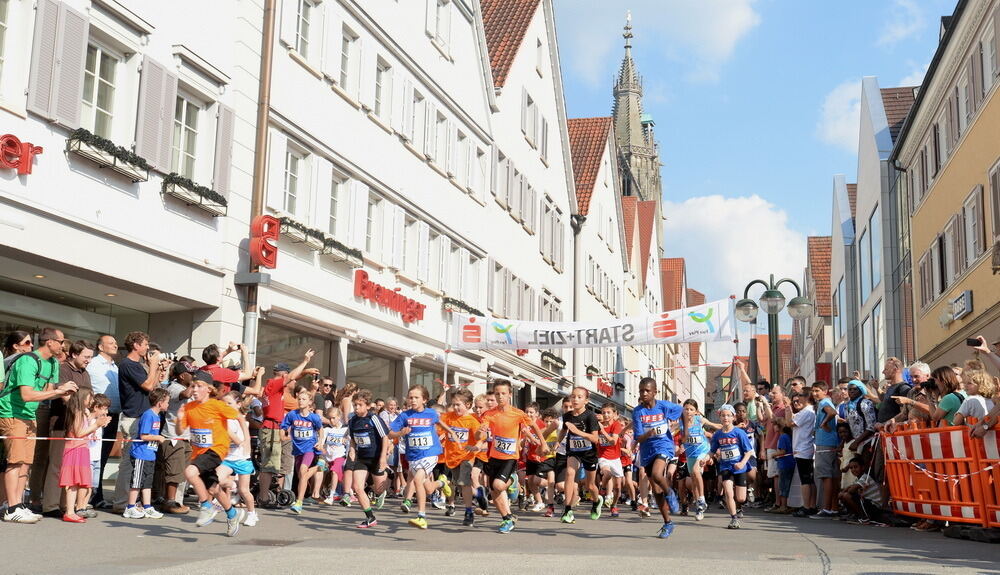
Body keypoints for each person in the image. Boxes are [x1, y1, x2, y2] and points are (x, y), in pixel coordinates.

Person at [0, 327, 77, 524]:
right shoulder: (28, 360)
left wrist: (65, 394)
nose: (63, 345)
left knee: (26, 462)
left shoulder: (53, 363)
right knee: (15, 461)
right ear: (49, 342)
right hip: (12, 412)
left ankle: (19, 505)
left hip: (29, 414)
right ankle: (12, 507)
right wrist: (59, 392)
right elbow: (27, 395)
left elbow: (48, 392)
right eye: (61, 341)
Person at [177, 371, 246, 536]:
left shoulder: (217, 405)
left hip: (217, 449)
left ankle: (206, 507)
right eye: (193, 386)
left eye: (199, 386)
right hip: (199, 453)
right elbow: (180, 431)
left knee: (189, 471)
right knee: (214, 489)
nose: (194, 389)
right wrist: (180, 419)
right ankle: (232, 515)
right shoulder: (188, 407)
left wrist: (245, 441)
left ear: (208, 389)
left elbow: (240, 417)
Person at [476, 380, 548, 534]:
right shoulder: (489, 414)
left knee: (498, 486)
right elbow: (481, 433)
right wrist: (479, 432)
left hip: (509, 457)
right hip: (494, 457)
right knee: (494, 493)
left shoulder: (518, 414)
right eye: (497, 394)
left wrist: (543, 443)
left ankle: (512, 479)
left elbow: (534, 426)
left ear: (510, 395)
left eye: (503, 393)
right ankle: (507, 518)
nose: (500, 396)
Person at [388, 384, 459, 529]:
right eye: (410, 397)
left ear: (424, 399)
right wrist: (400, 433)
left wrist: (452, 432)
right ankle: (442, 483)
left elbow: (440, 422)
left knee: (418, 480)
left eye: (416, 397)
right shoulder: (404, 416)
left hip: (430, 453)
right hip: (414, 456)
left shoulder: (431, 413)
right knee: (429, 489)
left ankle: (421, 516)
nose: (412, 400)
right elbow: (390, 433)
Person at [113, 331, 166, 512]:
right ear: (135, 345)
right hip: (133, 418)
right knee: (129, 463)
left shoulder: (138, 365)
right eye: (144, 344)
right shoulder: (128, 364)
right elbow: (148, 385)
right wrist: (151, 365)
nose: (147, 348)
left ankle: (131, 501)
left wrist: (158, 368)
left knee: (138, 464)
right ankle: (121, 503)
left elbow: (154, 386)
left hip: (141, 417)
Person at [42, 340, 94, 517]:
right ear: (74, 354)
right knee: (57, 466)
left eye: (90, 357)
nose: (89, 360)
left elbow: (88, 397)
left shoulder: (85, 373)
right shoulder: (63, 369)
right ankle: (51, 505)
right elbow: (64, 395)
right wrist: (83, 413)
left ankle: (67, 506)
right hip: (61, 424)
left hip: (79, 427)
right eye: (86, 356)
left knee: (70, 468)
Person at [257, 351, 315, 505]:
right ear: (283, 375)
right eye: (289, 377)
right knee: (269, 465)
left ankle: (271, 494)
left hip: (275, 427)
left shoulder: (276, 387)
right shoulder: (274, 384)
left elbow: (292, 379)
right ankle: (263, 498)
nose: (293, 382)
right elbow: (290, 378)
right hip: (271, 428)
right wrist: (305, 360)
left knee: (275, 465)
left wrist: (303, 372)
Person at [632, 377, 684, 539]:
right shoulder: (637, 411)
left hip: (664, 446)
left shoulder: (664, 406)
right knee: (656, 491)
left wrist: (685, 432)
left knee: (657, 474)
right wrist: (648, 433)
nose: (644, 393)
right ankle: (668, 523)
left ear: (655, 392)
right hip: (647, 451)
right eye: (641, 390)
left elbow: (682, 411)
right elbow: (638, 438)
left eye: (647, 390)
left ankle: (671, 494)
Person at [60, 389, 108, 523]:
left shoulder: (82, 413)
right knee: (72, 483)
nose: (91, 401)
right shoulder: (78, 412)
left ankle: (71, 511)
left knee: (76, 483)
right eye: (89, 398)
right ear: (82, 398)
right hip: (75, 450)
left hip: (81, 449)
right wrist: (96, 425)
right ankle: (69, 511)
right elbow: (79, 432)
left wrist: (96, 420)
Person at [558, 387, 603, 523]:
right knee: (570, 473)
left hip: (589, 453)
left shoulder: (590, 416)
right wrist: (556, 444)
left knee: (590, 486)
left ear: (586, 400)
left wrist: (577, 431)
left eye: (579, 397)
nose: (575, 399)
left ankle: (597, 501)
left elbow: (595, 439)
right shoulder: (567, 416)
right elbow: (564, 431)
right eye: (573, 396)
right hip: (573, 452)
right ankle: (567, 509)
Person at [347, 389, 390, 528]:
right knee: (357, 487)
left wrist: (383, 457)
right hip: (362, 458)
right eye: (355, 405)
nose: (356, 408)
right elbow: (353, 439)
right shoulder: (352, 420)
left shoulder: (373, 418)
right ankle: (370, 517)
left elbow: (385, 437)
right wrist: (352, 450)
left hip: (376, 458)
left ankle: (389, 475)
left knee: (378, 490)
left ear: (368, 406)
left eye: (360, 405)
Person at [123, 388, 169, 519]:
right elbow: (143, 436)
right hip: (141, 454)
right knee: (137, 481)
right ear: (160, 402)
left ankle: (147, 506)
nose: (168, 404)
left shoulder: (157, 416)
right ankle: (130, 507)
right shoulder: (148, 415)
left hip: (150, 454)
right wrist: (158, 438)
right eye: (167, 402)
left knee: (147, 482)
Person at [86, 334, 119, 509]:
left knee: (104, 456)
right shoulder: (92, 364)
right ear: (100, 346)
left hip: (113, 414)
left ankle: (96, 494)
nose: (115, 345)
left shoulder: (115, 367)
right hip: (98, 415)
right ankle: (89, 494)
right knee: (93, 456)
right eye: (111, 343)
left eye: (115, 342)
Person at [281, 387, 326, 514]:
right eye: (299, 399)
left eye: (304, 399)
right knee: (302, 477)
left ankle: (299, 503)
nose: (301, 401)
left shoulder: (314, 417)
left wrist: (320, 441)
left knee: (303, 472)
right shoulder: (292, 415)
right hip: (297, 449)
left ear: (309, 402)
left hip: (309, 448)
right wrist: (282, 435)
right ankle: (318, 467)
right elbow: (284, 425)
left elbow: (320, 429)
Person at [159, 361, 195, 514]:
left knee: (181, 472)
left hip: (186, 437)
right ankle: (170, 502)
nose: (193, 377)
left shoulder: (187, 387)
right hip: (173, 437)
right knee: (174, 471)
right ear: (182, 376)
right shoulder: (174, 387)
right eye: (190, 374)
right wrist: (195, 384)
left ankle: (176, 501)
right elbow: (185, 395)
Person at [440, 388, 480, 526]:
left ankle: (469, 512)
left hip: (467, 456)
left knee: (463, 483)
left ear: (468, 405)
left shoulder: (472, 421)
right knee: (460, 484)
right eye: (454, 404)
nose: (455, 407)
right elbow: (437, 427)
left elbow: (480, 438)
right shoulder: (447, 417)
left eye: (458, 404)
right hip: (452, 458)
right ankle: (480, 494)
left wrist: (481, 436)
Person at [710, 404, 754, 529]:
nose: (726, 418)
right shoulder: (718, 434)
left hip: (739, 467)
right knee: (728, 493)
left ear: (733, 417)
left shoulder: (739, 432)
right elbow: (712, 451)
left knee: (740, 498)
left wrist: (742, 463)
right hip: (725, 466)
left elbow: (748, 451)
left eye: (728, 415)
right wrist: (706, 458)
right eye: (723, 415)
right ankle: (734, 519)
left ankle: (740, 506)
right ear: (720, 417)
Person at [218, 391, 258, 526]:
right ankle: (232, 486)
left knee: (244, 490)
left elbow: (237, 440)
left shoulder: (240, 419)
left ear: (238, 404)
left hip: (242, 459)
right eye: (224, 403)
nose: (226, 406)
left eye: (229, 403)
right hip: (228, 458)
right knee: (216, 480)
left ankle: (252, 514)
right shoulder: (224, 418)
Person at [679, 399, 719, 521]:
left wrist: (733, 426)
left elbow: (715, 425)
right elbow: (668, 430)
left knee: (696, 472)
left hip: (703, 451)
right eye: (686, 409)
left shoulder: (699, 420)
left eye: (691, 409)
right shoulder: (680, 423)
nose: (688, 411)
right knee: (694, 482)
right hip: (690, 455)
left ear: (696, 411)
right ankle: (699, 507)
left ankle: (701, 499)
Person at [809, 381, 840, 519]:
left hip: (824, 443)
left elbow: (832, 413)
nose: (815, 394)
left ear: (825, 391)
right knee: (832, 477)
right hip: (830, 443)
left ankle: (826, 508)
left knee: (826, 476)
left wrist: (823, 423)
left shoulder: (824, 403)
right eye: (813, 391)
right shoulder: (826, 402)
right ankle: (833, 507)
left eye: (817, 391)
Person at [789, 392, 817, 517]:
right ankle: (810, 505)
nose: (797, 401)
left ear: (806, 398)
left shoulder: (807, 411)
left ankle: (807, 506)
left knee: (805, 479)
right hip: (804, 447)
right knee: (808, 479)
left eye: (800, 398)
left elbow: (789, 423)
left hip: (803, 448)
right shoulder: (807, 411)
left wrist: (787, 408)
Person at [596, 402, 624, 518]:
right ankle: (602, 489)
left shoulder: (616, 425)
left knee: (618, 487)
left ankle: (614, 505)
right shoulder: (598, 425)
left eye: (608, 412)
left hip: (615, 458)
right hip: (603, 456)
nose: (606, 415)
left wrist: (602, 431)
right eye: (603, 412)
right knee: (606, 474)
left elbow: (613, 441)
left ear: (614, 414)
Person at [838, 457, 883, 524]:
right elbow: (848, 490)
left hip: (874, 506)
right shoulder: (858, 479)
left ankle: (864, 517)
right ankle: (854, 514)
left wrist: (849, 488)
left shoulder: (865, 477)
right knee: (842, 494)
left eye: (855, 467)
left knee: (846, 495)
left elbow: (851, 490)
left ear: (862, 467)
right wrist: (848, 488)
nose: (853, 470)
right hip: (867, 503)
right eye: (851, 468)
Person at [843, 380, 877, 460]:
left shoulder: (865, 403)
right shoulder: (847, 405)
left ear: (861, 390)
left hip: (867, 442)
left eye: (855, 389)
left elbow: (872, 426)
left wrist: (857, 442)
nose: (852, 391)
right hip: (855, 443)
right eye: (850, 389)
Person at [767, 426, 795, 514]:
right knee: (787, 485)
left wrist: (773, 455)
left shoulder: (783, 436)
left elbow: (783, 451)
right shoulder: (788, 436)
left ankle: (783, 506)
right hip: (790, 462)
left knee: (783, 485)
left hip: (784, 463)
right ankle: (787, 505)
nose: (773, 427)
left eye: (775, 424)